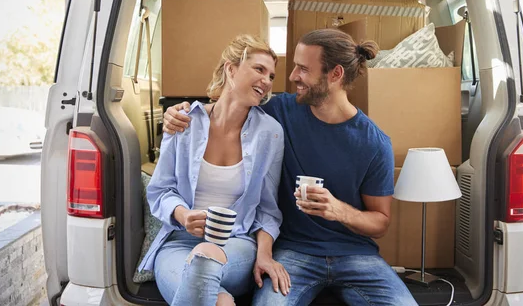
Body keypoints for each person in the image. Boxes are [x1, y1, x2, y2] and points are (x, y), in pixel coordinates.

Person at [163, 29, 418, 305]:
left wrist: (337, 210)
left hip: (357, 255)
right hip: (294, 252)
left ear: (335, 75)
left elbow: (380, 222)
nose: (292, 76)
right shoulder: (279, 111)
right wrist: (177, 113)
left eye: (303, 69)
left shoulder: (374, 143)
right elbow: (231, 104)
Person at [139, 35, 291, 306]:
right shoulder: (184, 122)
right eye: (259, 69)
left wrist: (265, 255)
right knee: (217, 301)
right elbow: (161, 191)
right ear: (230, 69)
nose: (267, 81)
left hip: (236, 245)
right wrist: (184, 216)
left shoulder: (270, 133)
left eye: (271, 75)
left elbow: (267, 209)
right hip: (178, 243)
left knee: (205, 257)